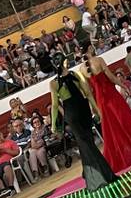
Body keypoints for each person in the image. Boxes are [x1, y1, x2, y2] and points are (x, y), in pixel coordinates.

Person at [50, 55, 118, 190]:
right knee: (87, 142)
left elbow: (54, 104)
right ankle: (90, 173)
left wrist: (53, 125)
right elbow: (87, 93)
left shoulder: (54, 83)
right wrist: (97, 110)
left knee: (85, 144)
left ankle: (99, 175)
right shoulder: (75, 74)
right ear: (64, 63)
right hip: (84, 108)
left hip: (72, 112)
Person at [85, 44, 131, 173]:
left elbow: (88, 90)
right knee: (122, 119)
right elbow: (110, 77)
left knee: (110, 127)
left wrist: (93, 106)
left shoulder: (83, 68)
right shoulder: (98, 60)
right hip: (110, 93)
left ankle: (119, 153)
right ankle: (128, 148)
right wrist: (122, 85)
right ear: (89, 49)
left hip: (99, 99)